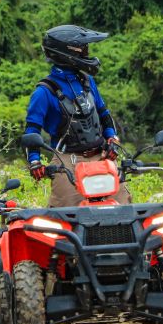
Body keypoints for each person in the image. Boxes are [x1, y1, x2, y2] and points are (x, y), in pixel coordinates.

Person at [24, 24, 130, 207]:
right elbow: (31, 131)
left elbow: (103, 113)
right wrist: (35, 162)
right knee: (64, 216)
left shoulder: (88, 82)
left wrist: (112, 137)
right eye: (82, 50)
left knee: (123, 206)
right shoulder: (44, 92)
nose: (86, 54)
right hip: (67, 161)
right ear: (68, 53)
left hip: (100, 156)